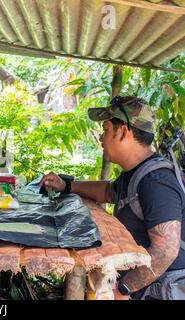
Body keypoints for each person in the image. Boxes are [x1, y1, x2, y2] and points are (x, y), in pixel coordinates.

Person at [41, 96, 185, 300]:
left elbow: (166, 252)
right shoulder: (136, 174)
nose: (101, 137)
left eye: (106, 129)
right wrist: (66, 186)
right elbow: (108, 191)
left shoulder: (155, 181)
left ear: (125, 131)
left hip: (160, 290)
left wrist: (123, 289)